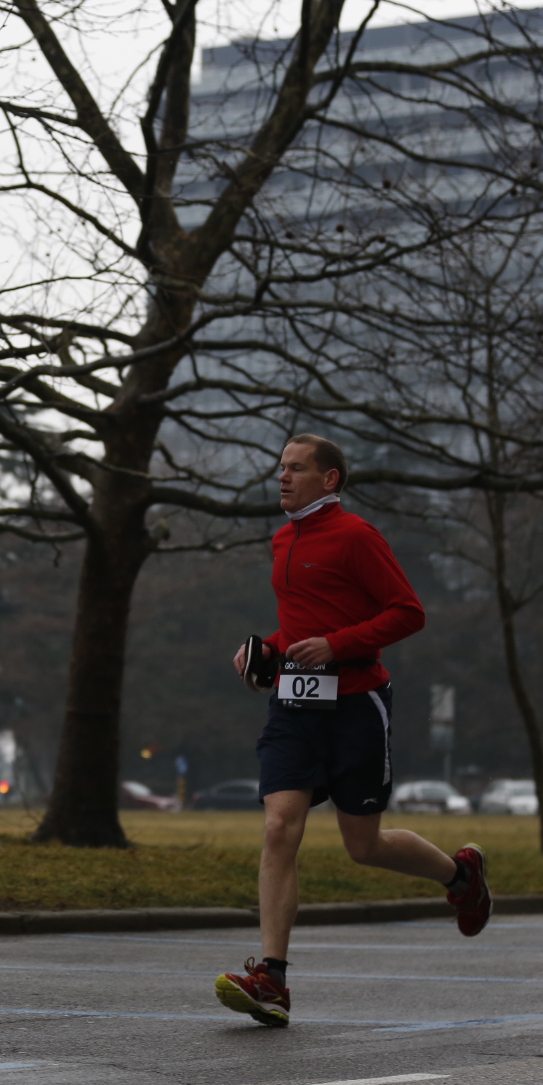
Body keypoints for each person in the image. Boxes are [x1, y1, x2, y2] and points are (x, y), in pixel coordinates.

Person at [213, 434, 491, 1028]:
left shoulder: (358, 537)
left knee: (363, 846)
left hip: (356, 705)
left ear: (330, 478)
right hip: (293, 708)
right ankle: (272, 980)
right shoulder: (283, 538)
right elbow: (301, 625)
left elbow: (408, 612)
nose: (282, 477)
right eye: (280, 467)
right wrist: (267, 649)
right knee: (279, 827)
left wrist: (337, 646)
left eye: (296, 468)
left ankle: (462, 875)